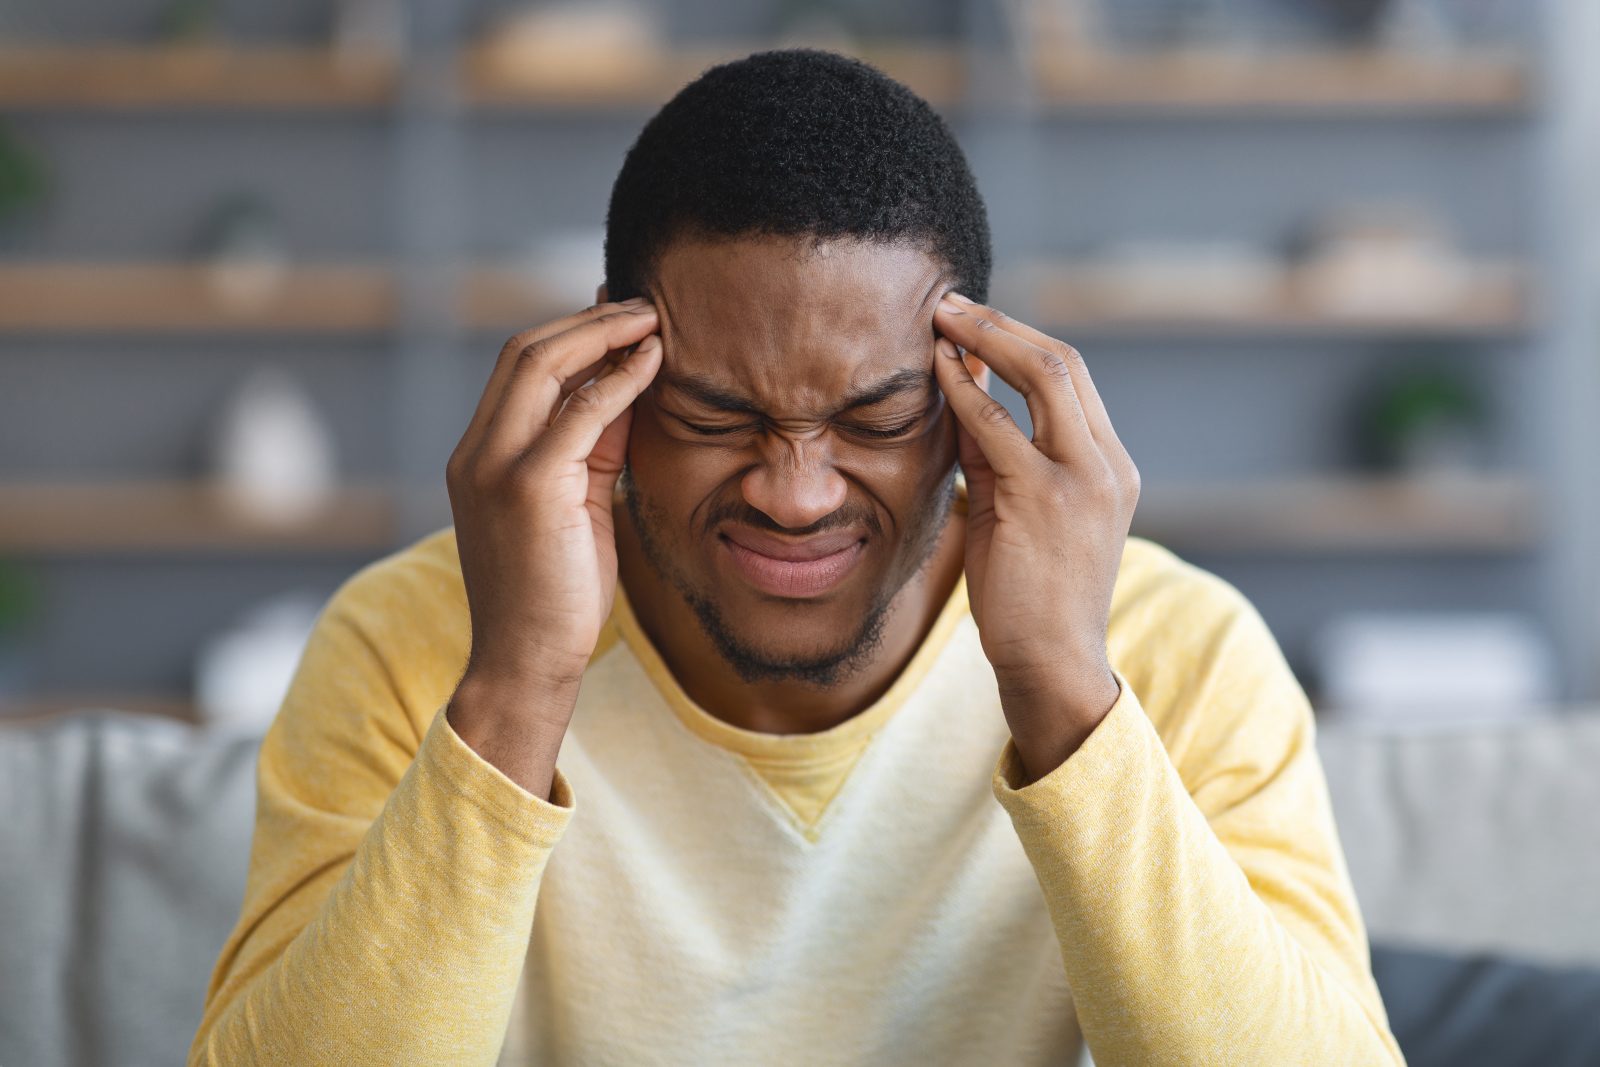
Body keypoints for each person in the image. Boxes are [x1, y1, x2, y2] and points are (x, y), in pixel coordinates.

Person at [190, 49, 1403, 1066]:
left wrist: (1059, 690)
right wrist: (518, 681)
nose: (794, 490)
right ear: (607, 379)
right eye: (717, 417)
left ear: (969, 387)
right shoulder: (412, 640)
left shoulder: (1174, 649)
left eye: (874, 420)